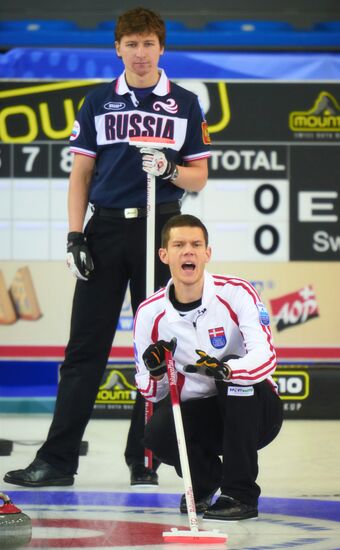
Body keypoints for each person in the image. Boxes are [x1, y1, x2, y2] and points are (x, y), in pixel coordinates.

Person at [3, 8, 210, 488]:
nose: (140, 53)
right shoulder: (98, 101)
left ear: (162, 48)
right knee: (84, 351)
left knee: (157, 347)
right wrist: (76, 235)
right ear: (117, 49)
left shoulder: (184, 103)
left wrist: (169, 171)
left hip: (161, 230)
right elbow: (81, 174)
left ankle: (145, 458)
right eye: (131, 44)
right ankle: (56, 462)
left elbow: (198, 174)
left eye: (148, 43)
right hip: (106, 229)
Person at [133, 214, 283, 520]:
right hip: (203, 414)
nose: (188, 251)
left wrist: (226, 371)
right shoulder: (150, 313)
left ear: (207, 253)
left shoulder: (236, 293)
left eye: (196, 244)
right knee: (156, 433)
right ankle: (205, 481)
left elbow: (266, 357)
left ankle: (239, 494)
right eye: (179, 244)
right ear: (164, 255)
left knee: (233, 376)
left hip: (256, 412)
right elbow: (150, 391)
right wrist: (157, 370)